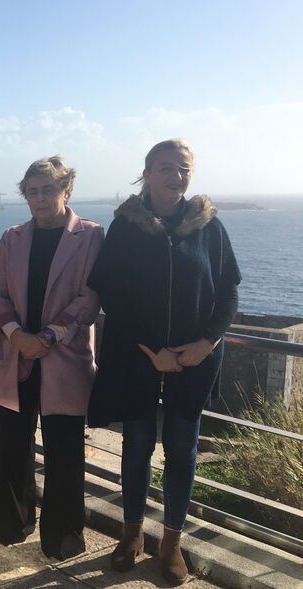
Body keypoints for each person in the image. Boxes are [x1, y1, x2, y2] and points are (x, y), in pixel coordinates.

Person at [87, 139, 240, 584]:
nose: (176, 176)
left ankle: (171, 542)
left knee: (182, 449)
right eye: (166, 168)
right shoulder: (126, 227)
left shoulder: (210, 227)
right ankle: (131, 534)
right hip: (138, 356)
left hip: (196, 358)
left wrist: (206, 343)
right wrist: (155, 349)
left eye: (183, 168)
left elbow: (229, 290)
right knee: (136, 445)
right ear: (147, 173)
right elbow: (112, 293)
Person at [0, 156, 103, 559]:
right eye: (32, 191)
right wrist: (18, 336)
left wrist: (47, 335)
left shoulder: (90, 235)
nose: (40, 198)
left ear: (66, 190)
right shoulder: (13, 237)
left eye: (48, 189)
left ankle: (63, 537)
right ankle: (10, 524)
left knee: (64, 452)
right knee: (10, 445)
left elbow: (90, 296)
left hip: (64, 357)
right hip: (15, 355)